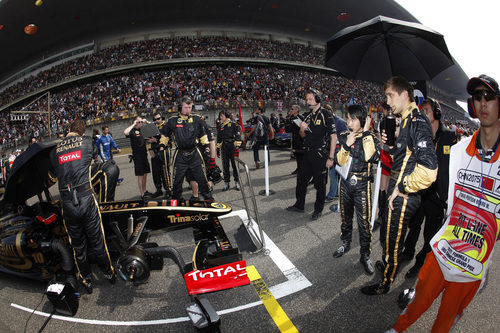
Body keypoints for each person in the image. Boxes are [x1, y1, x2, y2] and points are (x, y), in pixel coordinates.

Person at [385, 75, 500, 332]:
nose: (482, 102)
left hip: (474, 258)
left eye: (489, 96)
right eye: (477, 97)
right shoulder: (459, 150)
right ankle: (397, 328)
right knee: (421, 298)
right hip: (446, 246)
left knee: (447, 317)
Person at [361, 76, 437, 295]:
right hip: (396, 192)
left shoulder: (417, 120)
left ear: (405, 94)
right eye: (386, 96)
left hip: (403, 196)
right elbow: (403, 157)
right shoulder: (404, 120)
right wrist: (390, 144)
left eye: (390, 96)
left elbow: (430, 170)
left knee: (393, 240)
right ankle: (387, 266)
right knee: (386, 235)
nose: (388, 101)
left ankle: (384, 284)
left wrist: (402, 188)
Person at [51, 119, 115, 294]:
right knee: (97, 240)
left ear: (68, 130)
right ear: (81, 131)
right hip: (86, 198)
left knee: (78, 246)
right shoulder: (87, 142)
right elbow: (97, 161)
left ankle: (86, 280)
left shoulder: (55, 150)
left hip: (68, 204)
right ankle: (109, 273)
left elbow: (52, 177)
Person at [400, 98, 457, 278]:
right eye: (421, 110)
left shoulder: (450, 137)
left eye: (427, 110)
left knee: (430, 234)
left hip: (437, 195)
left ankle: (420, 262)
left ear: (437, 113)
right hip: (419, 191)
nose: (423, 113)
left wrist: (447, 196)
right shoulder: (419, 134)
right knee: (413, 225)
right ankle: (407, 252)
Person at [332, 105, 380, 275]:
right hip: (345, 182)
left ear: (362, 120)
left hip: (362, 185)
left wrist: (366, 133)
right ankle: (345, 243)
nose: (349, 122)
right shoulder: (344, 135)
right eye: (347, 119)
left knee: (364, 222)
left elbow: (371, 157)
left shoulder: (371, 137)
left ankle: (365, 255)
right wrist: (346, 146)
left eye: (352, 119)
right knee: (345, 217)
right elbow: (339, 160)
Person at [286, 88, 336, 220]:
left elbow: (334, 136)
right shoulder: (308, 115)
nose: (307, 101)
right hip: (307, 152)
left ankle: (318, 210)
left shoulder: (326, 114)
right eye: (306, 99)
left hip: (320, 154)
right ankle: (299, 205)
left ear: (318, 100)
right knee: (301, 180)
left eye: (310, 99)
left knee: (319, 184)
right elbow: (303, 136)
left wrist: (331, 157)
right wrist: (302, 129)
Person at [161, 96, 214, 201]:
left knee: (202, 179)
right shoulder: (172, 120)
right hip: (180, 155)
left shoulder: (196, 118)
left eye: (190, 107)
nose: (188, 110)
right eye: (186, 107)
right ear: (180, 107)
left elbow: (202, 135)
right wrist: (162, 145)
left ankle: (208, 199)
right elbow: (165, 134)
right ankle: (176, 201)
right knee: (177, 181)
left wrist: (206, 147)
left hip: (195, 154)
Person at [373, 103, 393, 230]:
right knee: (388, 187)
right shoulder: (400, 119)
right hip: (394, 155)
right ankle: (385, 215)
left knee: (384, 186)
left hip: (387, 155)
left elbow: (381, 142)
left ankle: (382, 215)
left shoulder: (384, 121)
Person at [124, 116, 152, 199]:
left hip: (144, 154)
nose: (140, 123)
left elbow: (154, 128)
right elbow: (125, 132)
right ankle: (142, 194)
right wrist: (134, 124)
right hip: (137, 155)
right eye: (139, 122)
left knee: (145, 173)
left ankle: (145, 190)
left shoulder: (142, 130)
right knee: (140, 175)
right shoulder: (132, 131)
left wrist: (146, 121)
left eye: (141, 122)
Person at [324, 104, 348, 203]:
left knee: (333, 173)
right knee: (335, 174)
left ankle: (332, 195)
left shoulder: (340, 122)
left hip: (338, 151)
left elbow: (346, 138)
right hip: (331, 149)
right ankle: (336, 193)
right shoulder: (328, 121)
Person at [217, 110, 242, 191]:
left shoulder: (234, 124)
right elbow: (219, 138)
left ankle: (237, 182)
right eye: (220, 116)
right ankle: (226, 183)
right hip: (224, 147)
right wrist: (218, 148)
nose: (220, 117)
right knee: (225, 166)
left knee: (235, 165)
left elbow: (238, 135)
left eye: (222, 116)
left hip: (232, 146)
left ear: (226, 116)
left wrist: (237, 146)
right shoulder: (221, 126)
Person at [149, 112, 171, 198]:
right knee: (156, 172)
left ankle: (169, 190)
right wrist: (150, 149)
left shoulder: (166, 126)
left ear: (162, 118)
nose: (157, 121)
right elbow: (148, 138)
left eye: (158, 119)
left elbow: (167, 138)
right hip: (154, 151)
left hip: (164, 150)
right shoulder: (152, 127)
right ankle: (158, 190)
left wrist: (156, 141)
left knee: (165, 171)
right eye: (155, 119)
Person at [284, 105, 305, 175]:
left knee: (300, 154)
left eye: (292, 109)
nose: (291, 110)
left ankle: (301, 169)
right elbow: (287, 129)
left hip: (300, 139)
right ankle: (299, 168)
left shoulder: (301, 117)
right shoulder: (291, 118)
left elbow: (304, 129)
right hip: (294, 138)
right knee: (296, 154)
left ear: (296, 110)